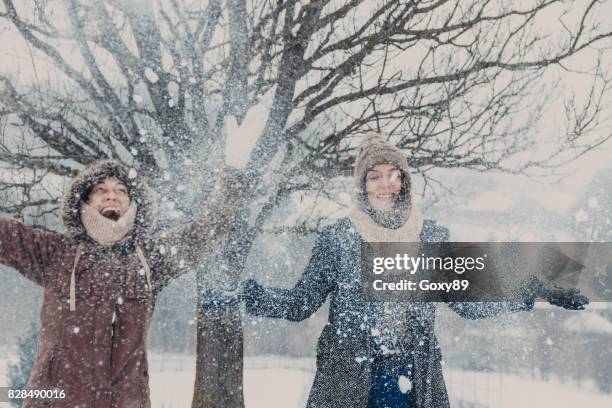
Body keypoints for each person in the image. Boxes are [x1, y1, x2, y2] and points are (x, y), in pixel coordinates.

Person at [204, 134, 588, 408]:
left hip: (415, 379)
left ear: (404, 181)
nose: (385, 183)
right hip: (350, 382)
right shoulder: (339, 238)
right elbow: (300, 303)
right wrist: (246, 294)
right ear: (362, 185)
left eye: (393, 174)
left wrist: (530, 292)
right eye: (374, 176)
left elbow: (467, 304)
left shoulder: (431, 237)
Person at [0, 102, 268, 407]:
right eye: (100, 190)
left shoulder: (150, 261)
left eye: (121, 190)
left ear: (132, 205)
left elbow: (206, 231)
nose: (112, 194)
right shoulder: (55, 253)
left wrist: (233, 170)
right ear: (84, 202)